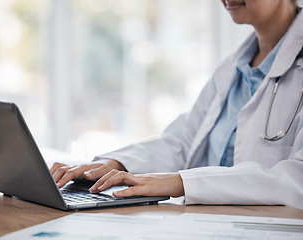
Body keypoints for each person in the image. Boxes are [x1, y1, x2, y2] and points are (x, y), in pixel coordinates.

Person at [50, 0, 303, 209]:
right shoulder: (233, 69)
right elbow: (184, 141)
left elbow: (297, 178)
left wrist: (182, 182)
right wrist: (114, 164)